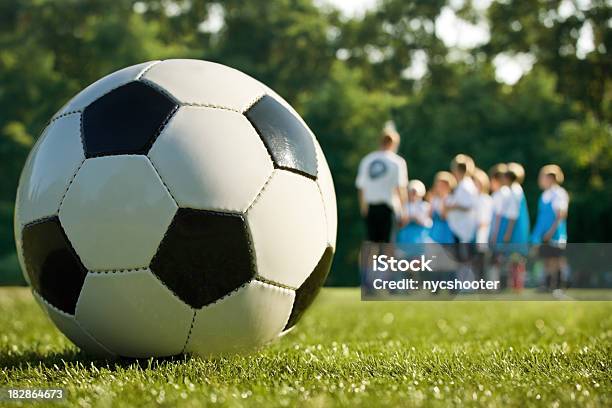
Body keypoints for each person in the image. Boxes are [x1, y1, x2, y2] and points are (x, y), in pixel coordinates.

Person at [356, 128, 408, 243]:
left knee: (371, 243)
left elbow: (360, 187)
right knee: (387, 245)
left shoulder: (367, 160)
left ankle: (369, 262)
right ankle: (386, 262)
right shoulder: (397, 162)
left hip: (371, 207)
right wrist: (404, 211)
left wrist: (363, 208)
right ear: (394, 144)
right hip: (388, 207)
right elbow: (401, 188)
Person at [531, 164, 569, 290]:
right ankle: (547, 285)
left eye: (543, 177)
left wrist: (551, 232)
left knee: (555, 259)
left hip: (555, 234)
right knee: (546, 260)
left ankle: (558, 285)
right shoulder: (544, 195)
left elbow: (560, 215)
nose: (540, 180)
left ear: (551, 178)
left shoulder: (559, 194)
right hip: (543, 234)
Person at [472, 168, 493, 282]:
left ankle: (482, 284)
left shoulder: (486, 199)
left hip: (482, 235)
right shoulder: (471, 199)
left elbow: (485, 220)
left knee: (482, 262)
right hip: (472, 234)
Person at [397, 180, 432, 244]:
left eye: (415, 192)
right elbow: (401, 223)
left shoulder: (425, 206)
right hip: (406, 237)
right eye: (411, 192)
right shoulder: (404, 206)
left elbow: (427, 223)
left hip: (420, 237)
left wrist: (414, 218)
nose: (413, 195)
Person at [428, 171, 456, 244]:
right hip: (435, 230)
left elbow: (444, 216)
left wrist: (443, 200)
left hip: (446, 230)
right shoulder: (435, 199)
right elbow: (430, 216)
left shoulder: (450, 199)